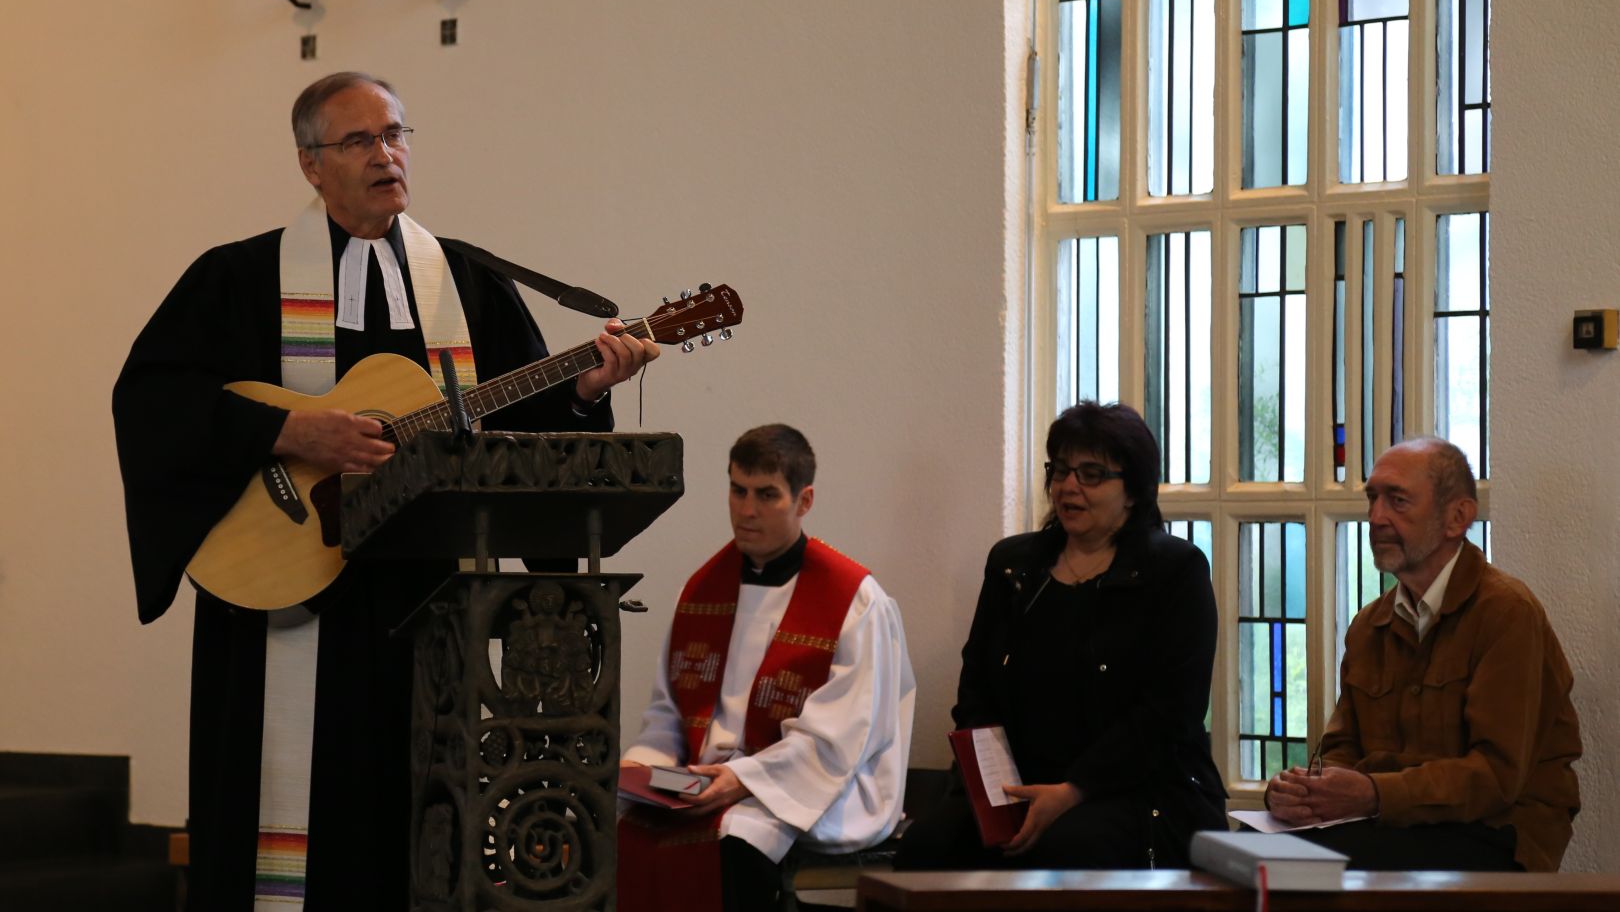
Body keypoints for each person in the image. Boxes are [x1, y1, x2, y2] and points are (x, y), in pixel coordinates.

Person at [112, 71, 657, 911]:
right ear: (310, 164)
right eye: (359, 140)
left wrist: (586, 391)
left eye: (396, 134)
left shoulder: (469, 285)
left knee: (414, 833)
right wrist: (289, 431)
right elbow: (151, 405)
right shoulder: (238, 279)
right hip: (283, 606)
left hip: (428, 611)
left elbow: (528, 423)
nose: (386, 154)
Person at [894, 401, 1226, 871]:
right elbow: (977, 693)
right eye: (1061, 470)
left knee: (1062, 854)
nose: (1069, 486)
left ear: (1133, 490)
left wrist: (1073, 791)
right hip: (1020, 788)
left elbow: (1170, 715)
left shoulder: (1175, 571)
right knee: (926, 847)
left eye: (1091, 474)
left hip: (1137, 792)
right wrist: (996, 795)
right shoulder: (1014, 566)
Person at [616, 424, 915, 912]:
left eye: (767, 495)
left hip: (813, 786)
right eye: (738, 490)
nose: (747, 510)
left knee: (738, 837)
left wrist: (741, 779)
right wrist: (642, 767)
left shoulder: (855, 602)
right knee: (619, 826)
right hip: (702, 781)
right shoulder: (701, 590)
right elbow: (668, 715)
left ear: (804, 500)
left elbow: (836, 741)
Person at [1264, 437, 1582, 871]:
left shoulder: (1506, 613)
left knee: (1323, 863)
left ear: (1457, 517)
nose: (1376, 518)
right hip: (1395, 825)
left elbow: (1495, 778)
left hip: (1497, 831)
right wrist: (1307, 790)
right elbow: (1342, 746)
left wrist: (1374, 794)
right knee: (1251, 848)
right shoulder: (1369, 625)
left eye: (1397, 501)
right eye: (1372, 498)